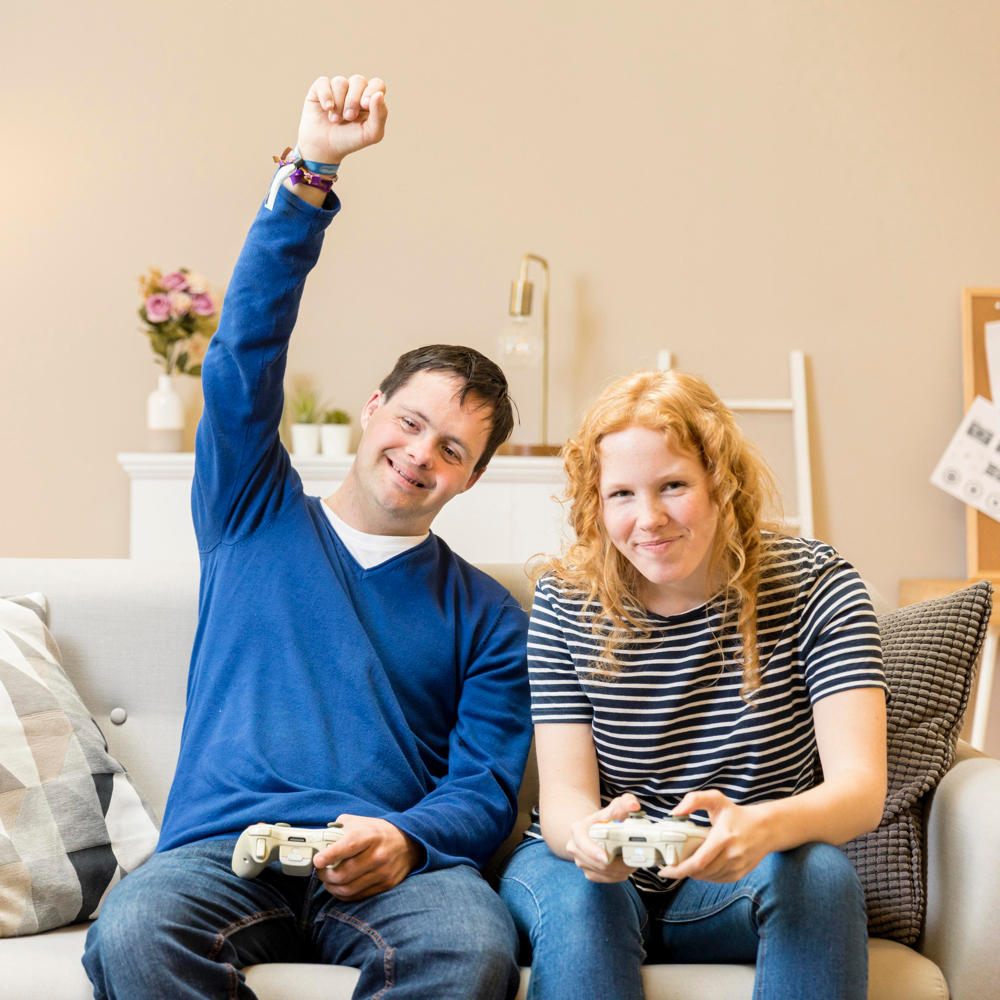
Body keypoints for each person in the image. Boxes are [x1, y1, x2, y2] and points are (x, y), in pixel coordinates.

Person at [83, 74, 531, 1000]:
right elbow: (243, 351)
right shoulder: (251, 510)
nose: (418, 455)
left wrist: (407, 838)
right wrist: (311, 172)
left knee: (470, 947)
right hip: (218, 852)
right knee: (132, 933)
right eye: (408, 422)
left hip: (389, 865)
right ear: (373, 411)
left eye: (451, 448)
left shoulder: (487, 615)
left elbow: (486, 788)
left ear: (473, 476)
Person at [497, 369, 888, 1000]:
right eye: (621, 494)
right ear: (596, 503)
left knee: (819, 874)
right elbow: (568, 800)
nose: (648, 519)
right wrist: (589, 841)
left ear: (721, 484)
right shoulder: (567, 601)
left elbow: (861, 791)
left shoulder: (816, 585)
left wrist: (761, 827)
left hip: (730, 876)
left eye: (673, 485)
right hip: (584, 869)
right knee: (584, 900)